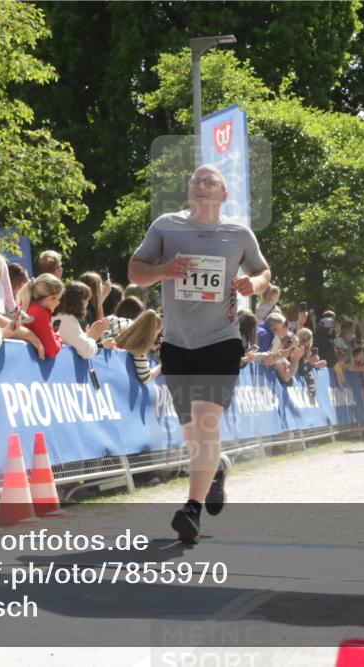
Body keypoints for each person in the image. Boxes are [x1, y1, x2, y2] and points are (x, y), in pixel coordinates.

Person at [128, 163, 270, 544]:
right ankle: (217, 468)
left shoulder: (239, 234)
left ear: (224, 194)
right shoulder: (166, 226)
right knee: (194, 435)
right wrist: (165, 270)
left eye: (211, 182)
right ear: (189, 189)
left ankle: (191, 510)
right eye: (196, 180)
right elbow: (135, 272)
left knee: (206, 425)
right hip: (177, 345)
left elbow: (264, 273)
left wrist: (252, 283)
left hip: (221, 342)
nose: (202, 185)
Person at [52, 282, 111, 359]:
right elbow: (86, 352)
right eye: (86, 300)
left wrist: (88, 335)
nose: (87, 303)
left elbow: (74, 342)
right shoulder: (68, 320)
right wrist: (93, 337)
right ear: (79, 301)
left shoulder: (60, 316)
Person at [20, 273, 65, 359]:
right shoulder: (40, 313)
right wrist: (58, 336)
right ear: (50, 299)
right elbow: (52, 351)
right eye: (58, 299)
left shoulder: (30, 305)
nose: (59, 303)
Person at [115, 309, 164, 384]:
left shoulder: (125, 332)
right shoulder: (140, 349)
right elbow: (146, 378)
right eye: (158, 332)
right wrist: (161, 364)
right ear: (154, 331)